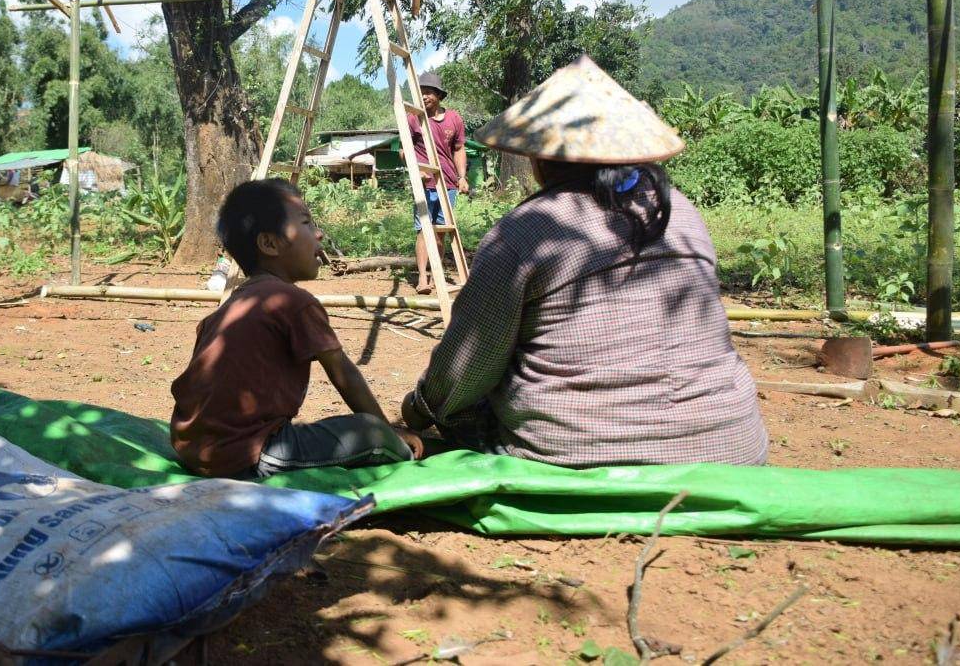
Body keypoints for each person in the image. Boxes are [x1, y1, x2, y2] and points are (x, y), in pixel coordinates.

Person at [400, 56, 768, 468]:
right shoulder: (681, 212)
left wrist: (418, 408)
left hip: (581, 456)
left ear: (539, 160)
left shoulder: (526, 230)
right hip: (735, 452)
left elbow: (466, 368)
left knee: (466, 404)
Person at [170, 179, 425, 478]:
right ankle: (419, 456)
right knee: (370, 433)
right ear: (269, 244)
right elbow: (342, 372)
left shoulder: (235, 303)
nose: (319, 233)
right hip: (247, 453)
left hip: (193, 450)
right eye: (306, 222)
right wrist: (388, 430)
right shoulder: (292, 300)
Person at [408, 71, 469, 295]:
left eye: (429, 92)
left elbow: (459, 149)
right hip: (424, 184)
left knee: (440, 231)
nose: (424, 96)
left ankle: (435, 275)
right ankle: (422, 278)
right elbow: (404, 151)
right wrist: (418, 170)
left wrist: (462, 177)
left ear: (439, 96)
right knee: (423, 229)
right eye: (421, 92)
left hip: (448, 183)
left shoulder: (454, 119)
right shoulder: (413, 118)